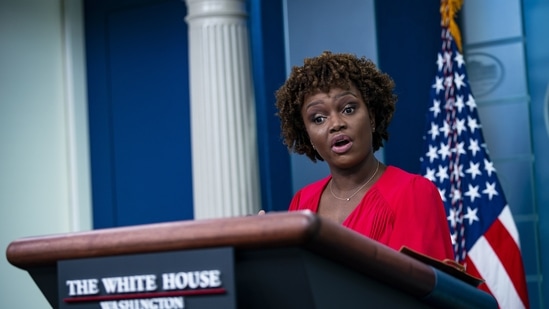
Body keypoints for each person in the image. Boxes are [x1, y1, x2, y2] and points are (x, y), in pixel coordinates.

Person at [274, 51, 454, 261]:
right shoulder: (302, 202)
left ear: (372, 117)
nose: (336, 124)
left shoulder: (414, 192)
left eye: (349, 109)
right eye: (319, 118)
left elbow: (422, 288)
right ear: (307, 136)